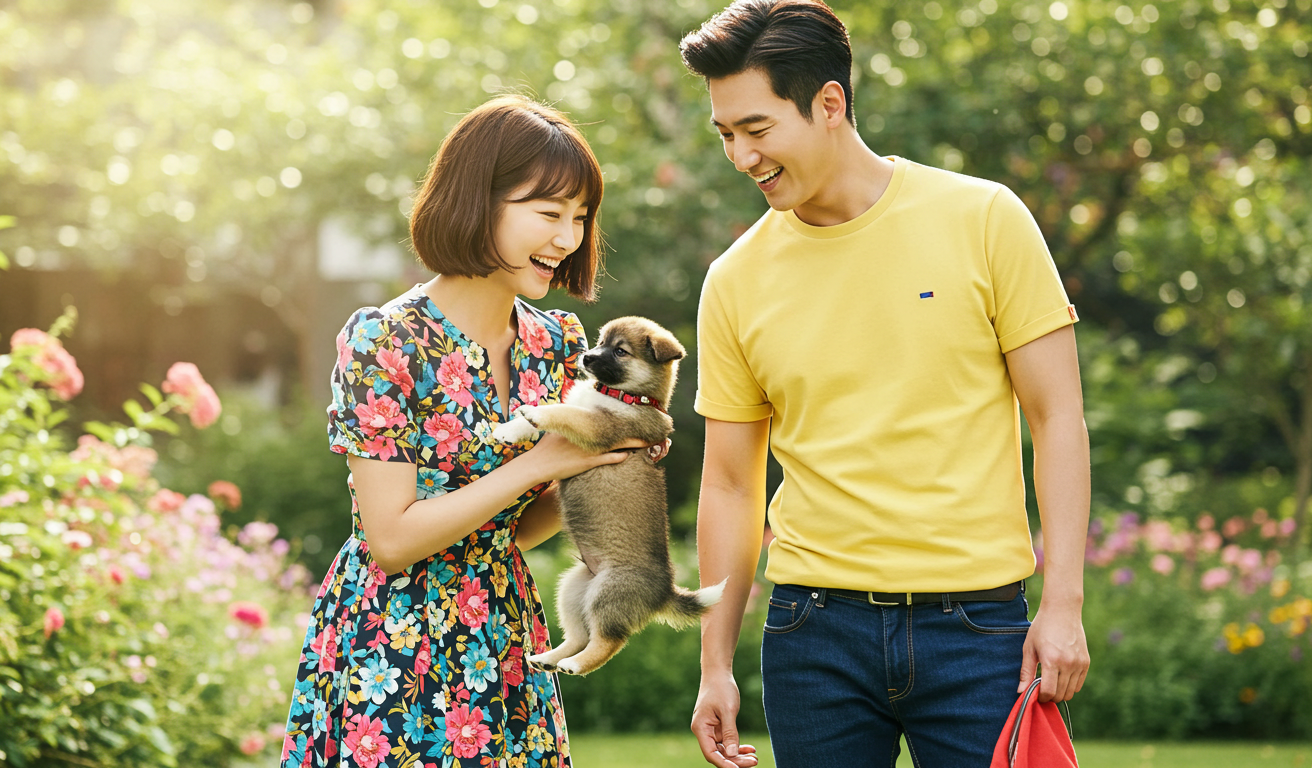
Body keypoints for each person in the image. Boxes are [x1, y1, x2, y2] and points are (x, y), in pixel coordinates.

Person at [678, 2, 1092, 767]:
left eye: (758, 129)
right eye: (726, 134)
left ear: (829, 103)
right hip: (814, 636)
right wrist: (715, 664)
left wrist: (1063, 603)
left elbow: (1057, 414)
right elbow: (731, 487)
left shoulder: (985, 219)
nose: (741, 156)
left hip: (978, 633)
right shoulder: (734, 281)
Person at [278, 95, 655, 768]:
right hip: (393, 645)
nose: (567, 238)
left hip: (502, 631)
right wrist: (542, 463)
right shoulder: (386, 339)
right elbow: (390, 541)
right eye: (547, 214)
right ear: (478, 201)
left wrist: (600, 467)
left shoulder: (556, 341)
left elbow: (512, 527)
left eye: (580, 216)